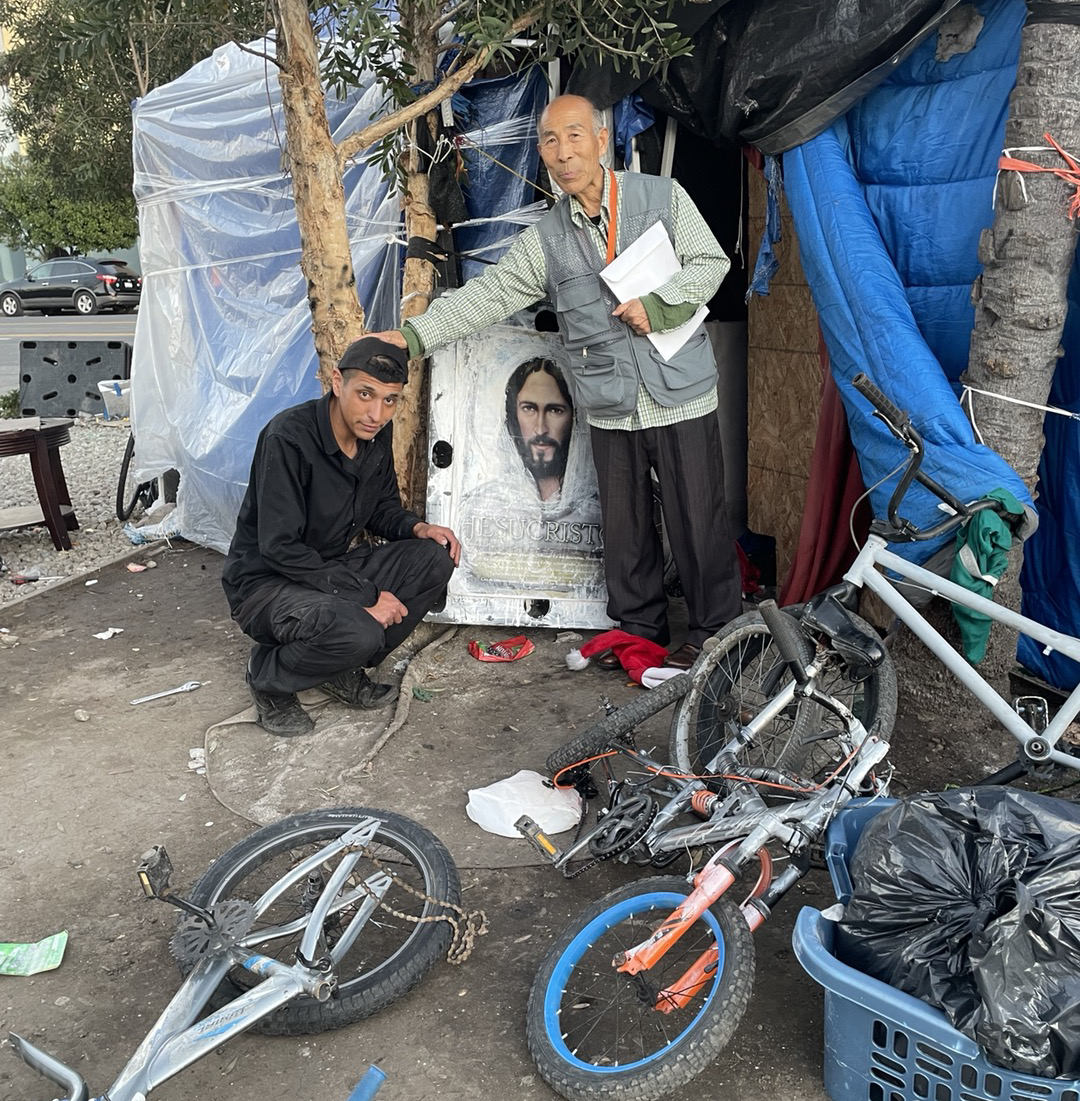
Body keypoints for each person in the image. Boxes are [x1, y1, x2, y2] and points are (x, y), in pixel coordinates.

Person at [375, 94, 742, 669]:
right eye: (550, 140)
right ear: (542, 153)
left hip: (678, 392)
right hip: (610, 401)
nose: (564, 152)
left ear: (601, 140)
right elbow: (489, 296)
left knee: (699, 519)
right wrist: (412, 337)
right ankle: (640, 632)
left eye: (574, 136)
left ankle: (717, 636)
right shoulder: (546, 239)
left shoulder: (661, 198)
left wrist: (659, 304)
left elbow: (710, 263)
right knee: (625, 530)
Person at [221, 337, 461, 736]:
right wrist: (366, 596)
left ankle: (338, 666)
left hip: (327, 571)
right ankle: (269, 679)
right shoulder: (288, 437)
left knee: (434, 558)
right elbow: (279, 548)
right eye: (365, 394)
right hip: (266, 585)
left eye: (389, 400)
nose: (376, 413)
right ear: (337, 382)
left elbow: (381, 507)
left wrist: (417, 528)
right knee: (360, 629)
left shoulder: (374, 434)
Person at [506, 356, 574, 503]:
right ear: (514, 414)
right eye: (529, 408)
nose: (541, 429)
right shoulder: (489, 499)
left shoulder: (593, 500)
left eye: (555, 410)